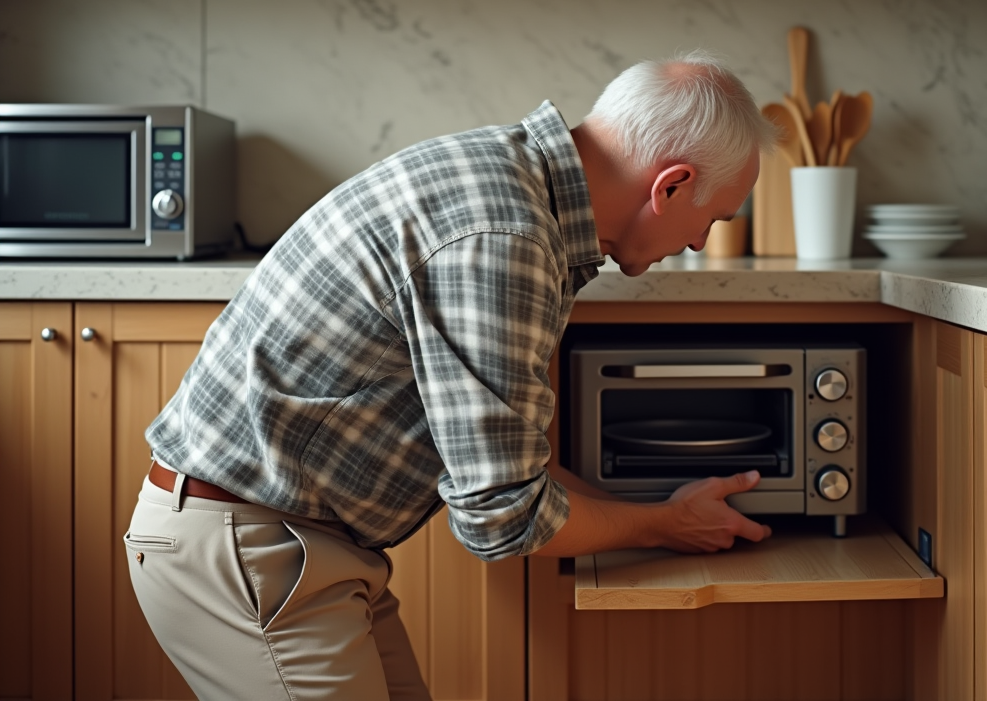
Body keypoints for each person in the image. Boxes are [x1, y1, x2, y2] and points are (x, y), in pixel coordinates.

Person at [125, 50, 777, 700]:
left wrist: (655, 514)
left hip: (286, 545)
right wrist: (662, 526)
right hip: (249, 549)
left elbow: (513, 467)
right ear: (670, 185)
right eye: (714, 217)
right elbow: (504, 516)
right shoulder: (507, 234)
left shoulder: (511, 183)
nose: (698, 244)